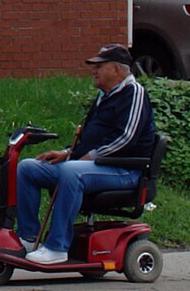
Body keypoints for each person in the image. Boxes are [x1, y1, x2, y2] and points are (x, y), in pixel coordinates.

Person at [14, 43, 157, 263]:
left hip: (124, 170)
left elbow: (126, 137)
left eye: (100, 66)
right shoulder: (104, 96)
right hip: (94, 165)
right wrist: (67, 152)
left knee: (73, 171)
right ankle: (28, 238)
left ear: (117, 69)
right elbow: (90, 139)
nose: (94, 70)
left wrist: (89, 157)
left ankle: (57, 247)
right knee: (28, 168)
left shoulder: (134, 93)